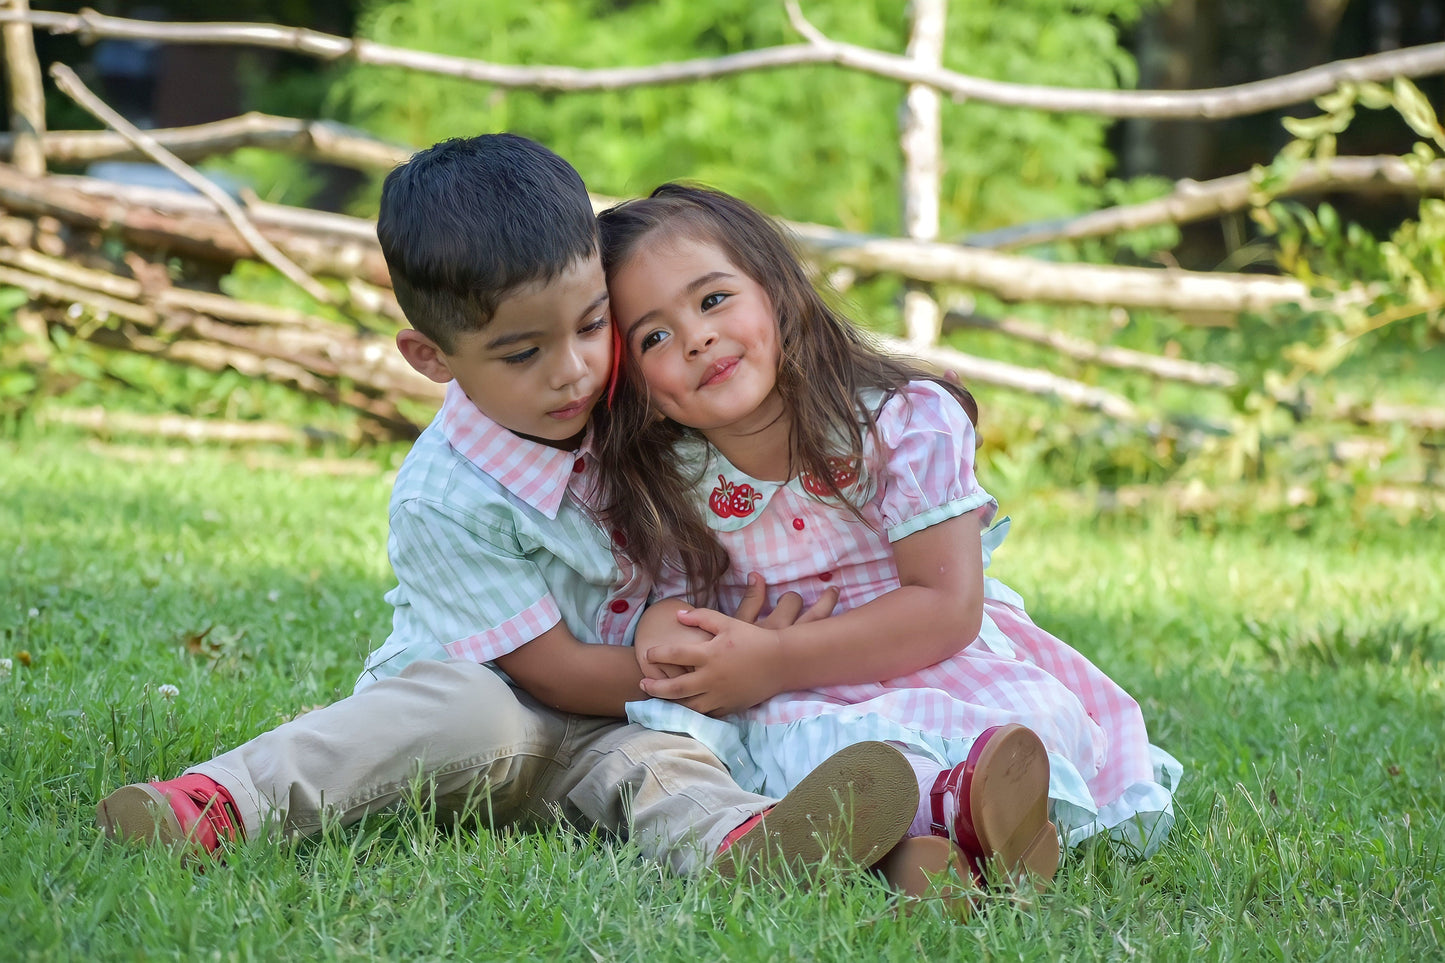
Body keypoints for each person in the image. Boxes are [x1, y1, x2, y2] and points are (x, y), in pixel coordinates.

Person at [95, 135, 923, 880]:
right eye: (523, 352)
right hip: (491, 718)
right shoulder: (445, 494)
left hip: (621, 723)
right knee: (459, 710)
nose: (570, 370)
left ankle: (749, 846)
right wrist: (694, 669)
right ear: (430, 357)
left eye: (592, 323)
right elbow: (548, 671)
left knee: (667, 765)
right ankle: (218, 802)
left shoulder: (635, 407)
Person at [593, 184, 1183, 910]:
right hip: (794, 700)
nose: (695, 338)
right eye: (654, 336)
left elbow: (946, 608)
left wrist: (772, 659)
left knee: (1022, 725)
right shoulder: (669, 482)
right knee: (822, 755)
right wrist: (671, 636)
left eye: (713, 299)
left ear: (776, 292)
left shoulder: (903, 421)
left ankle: (961, 810)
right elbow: (665, 606)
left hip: (929, 660)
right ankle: (934, 849)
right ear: (636, 387)